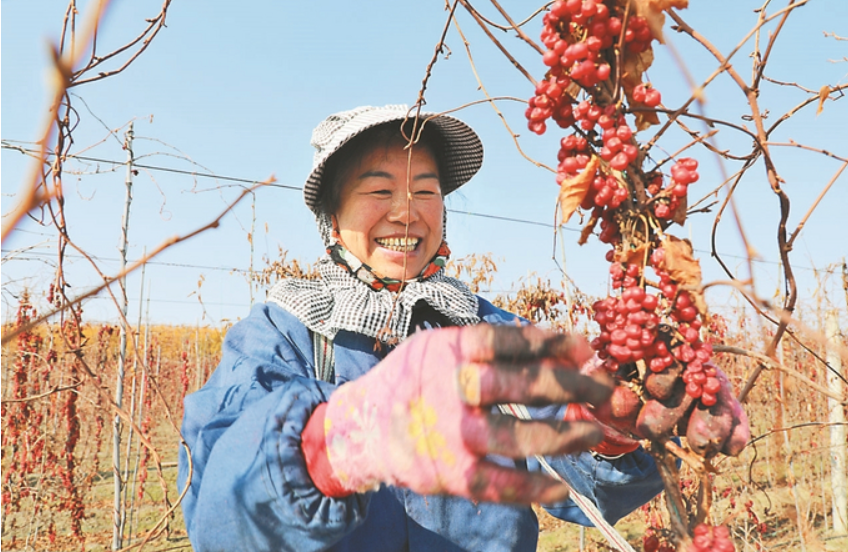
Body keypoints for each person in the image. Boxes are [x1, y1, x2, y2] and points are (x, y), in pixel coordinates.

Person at [177, 104, 744, 552]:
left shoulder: (486, 332)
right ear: (331, 219)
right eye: (378, 191)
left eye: (426, 191)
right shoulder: (283, 332)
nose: (407, 212)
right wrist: (337, 442)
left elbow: (576, 490)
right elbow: (220, 515)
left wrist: (608, 425)